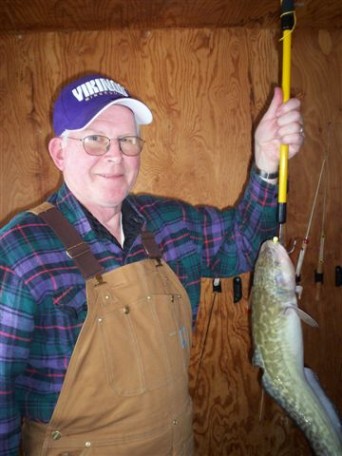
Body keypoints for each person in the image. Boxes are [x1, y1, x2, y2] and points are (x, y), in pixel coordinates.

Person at [0, 73, 303, 456]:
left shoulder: (167, 223)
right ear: (60, 153)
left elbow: (243, 241)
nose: (115, 155)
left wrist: (265, 162)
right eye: (95, 139)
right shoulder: (19, 249)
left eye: (128, 140)